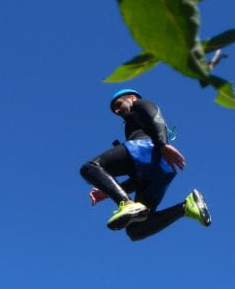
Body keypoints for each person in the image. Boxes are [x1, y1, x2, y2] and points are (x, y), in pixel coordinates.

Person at [79, 88, 211, 241]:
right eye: (114, 109)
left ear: (132, 97)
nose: (116, 110)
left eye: (118, 104)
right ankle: (186, 207)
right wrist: (108, 189)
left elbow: (155, 115)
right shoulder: (131, 124)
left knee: (89, 168)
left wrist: (162, 144)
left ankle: (126, 203)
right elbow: (138, 179)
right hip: (159, 170)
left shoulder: (139, 104)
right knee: (136, 230)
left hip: (147, 149)